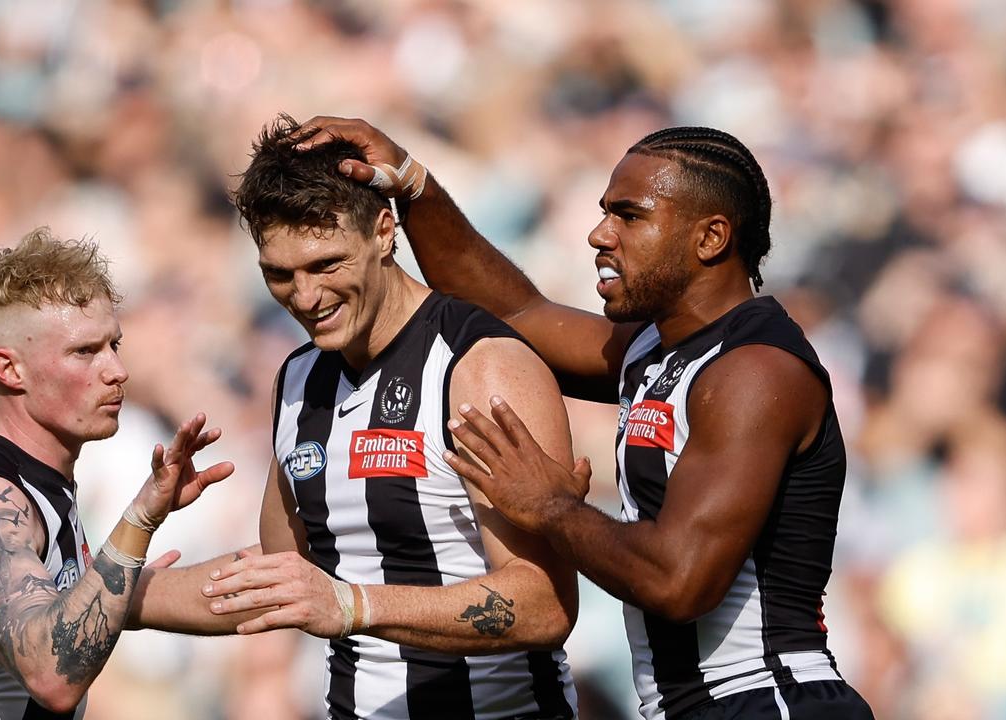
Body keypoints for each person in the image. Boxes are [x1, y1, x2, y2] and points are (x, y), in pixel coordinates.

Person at [295, 118, 875, 719]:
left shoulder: (754, 372)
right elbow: (514, 311)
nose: (601, 234)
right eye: (606, 213)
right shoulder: (655, 350)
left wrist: (552, 507)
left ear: (711, 239)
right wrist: (415, 184)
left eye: (630, 216)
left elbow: (681, 583)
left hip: (767, 699)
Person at [168, 114, 582, 719]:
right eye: (279, 275)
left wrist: (354, 606)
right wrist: (113, 588)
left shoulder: (476, 365)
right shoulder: (300, 377)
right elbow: (284, 579)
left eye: (326, 264)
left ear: (385, 231)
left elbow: (545, 604)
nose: (304, 298)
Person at [0, 229, 234, 719]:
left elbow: (203, 597)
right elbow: (53, 674)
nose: (117, 370)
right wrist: (139, 519)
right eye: (84, 352)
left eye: (114, 344)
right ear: (10, 370)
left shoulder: (43, 484)